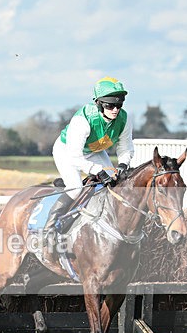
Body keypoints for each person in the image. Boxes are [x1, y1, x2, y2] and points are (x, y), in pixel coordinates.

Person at [44, 77, 135, 239]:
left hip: (94, 150)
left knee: (115, 184)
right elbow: (75, 156)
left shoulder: (124, 119)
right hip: (67, 152)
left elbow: (125, 146)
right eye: (110, 106)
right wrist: (97, 170)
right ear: (99, 104)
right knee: (76, 188)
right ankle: (48, 228)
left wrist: (123, 164)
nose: (115, 110)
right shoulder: (83, 120)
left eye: (119, 105)